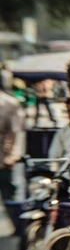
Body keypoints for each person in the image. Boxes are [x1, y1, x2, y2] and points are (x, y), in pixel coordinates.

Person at [0, 71, 24, 203]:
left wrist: (11, 155)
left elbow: (15, 131)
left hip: (4, 157)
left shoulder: (9, 103)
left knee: (8, 196)